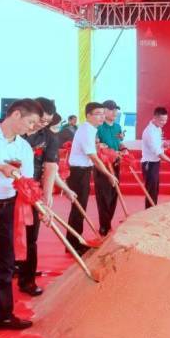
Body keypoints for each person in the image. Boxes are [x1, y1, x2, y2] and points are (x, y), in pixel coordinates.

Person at [0, 98, 42, 330]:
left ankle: (4, 316)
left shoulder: (23, 147)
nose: (32, 127)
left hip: (7, 210)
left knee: (5, 263)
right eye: (31, 122)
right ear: (16, 114)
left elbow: (27, 183)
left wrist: (40, 208)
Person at [16, 98, 59, 297]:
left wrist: (46, 196)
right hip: (3, 191)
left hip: (31, 193)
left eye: (47, 122)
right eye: (41, 120)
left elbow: (50, 166)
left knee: (30, 238)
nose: (42, 125)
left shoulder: (49, 137)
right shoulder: (9, 128)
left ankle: (27, 280)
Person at [66, 102, 119, 254]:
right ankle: (74, 244)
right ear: (88, 115)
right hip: (79, 173)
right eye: (97, 114)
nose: (101, 117)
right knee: (78, 208)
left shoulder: (90, 129)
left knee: (80, 208)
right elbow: (94, 158)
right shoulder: (86, 131)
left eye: (102, 113)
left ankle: (75, 241)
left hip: (83, 171)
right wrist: (109, 174)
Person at [94, 100, 125, 236]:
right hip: (103, 166)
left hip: (116, 164)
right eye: (111, 109)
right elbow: (95, 145)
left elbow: (120, 143)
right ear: (104, 111)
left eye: (115, 110)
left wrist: (124, 149)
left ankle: (108, 223)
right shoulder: (98, 128)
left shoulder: (117, 127)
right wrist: (100, 146)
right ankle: (104, 226)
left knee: (113, 195)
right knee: (104, 196)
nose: (114, 112)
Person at [141, 107, 170, 208]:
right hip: (149, 164)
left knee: (155, 189)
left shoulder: (158, 128)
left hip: (155, 162)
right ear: (154, 117)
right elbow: (158, 153)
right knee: (151, 191)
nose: (164, 122)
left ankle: (153, 210)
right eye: (162, 120)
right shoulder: (149, 132)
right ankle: (149, 212)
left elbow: (159, 143)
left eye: (165, 120)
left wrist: (166, 144)